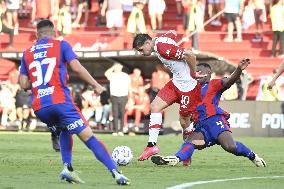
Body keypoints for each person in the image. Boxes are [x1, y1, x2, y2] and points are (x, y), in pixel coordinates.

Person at [19, 19, 130, 185]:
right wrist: (98, 87)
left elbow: (23, 85)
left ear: (37, 34)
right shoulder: (61, 45)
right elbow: (77, 68)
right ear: (54, 32)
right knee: (89, 138)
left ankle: (67, 168)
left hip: (40, 107)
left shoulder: (27, 53)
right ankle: (116, 173)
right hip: (60, 101)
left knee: (64, 129)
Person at [150, 59, 267, 168]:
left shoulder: (214, 84)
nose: (196, 74)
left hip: (215, 122)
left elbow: (230, 80)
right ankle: (175, 158)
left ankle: (253, 156)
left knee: (230, 147)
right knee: (190, 143)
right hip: (201, 128)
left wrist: (239, 69)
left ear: (208, 73)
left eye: (199, 71)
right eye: (195, 72)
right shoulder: (191, 89)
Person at [133, 30, 201, 161]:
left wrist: (194, 73)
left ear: (148, 43)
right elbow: (173, 32)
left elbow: (190, 55)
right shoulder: (160, 40)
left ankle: (186, 154)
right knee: (154, 107)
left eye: (141, 50)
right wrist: (173, 34)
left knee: (184, 122)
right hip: (175, 83)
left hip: (188, 86)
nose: (141, 53)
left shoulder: (162, 48)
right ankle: (151, 145)